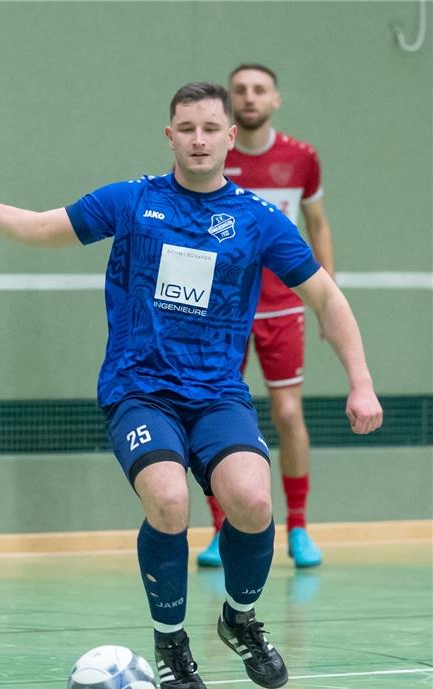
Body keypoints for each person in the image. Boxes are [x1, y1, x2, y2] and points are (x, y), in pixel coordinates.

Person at [0, 82, 382, 689]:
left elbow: (325, 296)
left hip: (217, 395)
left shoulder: (257, 220)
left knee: (252, 501)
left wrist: (361, 383)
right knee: (167, 501)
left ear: (228, 138)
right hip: (140, 392)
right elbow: (40, 227)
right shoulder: (132, 202)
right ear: (170, 136)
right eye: (186, 128)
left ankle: (239, 620)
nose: (198, 139)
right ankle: (170, 642)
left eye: (210, 129)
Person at [198, 64, 334, 569]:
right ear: (230, 104)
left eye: (259, 90)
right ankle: (218, 530)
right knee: (211, 414)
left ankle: (298, 526)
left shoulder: (301, 159)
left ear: (275, 98)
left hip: (282, 308)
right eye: (240, 90)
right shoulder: (212, 156)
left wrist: (326, 300)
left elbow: (318, 226)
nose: (250, 97)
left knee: (288, 413)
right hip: (220, 313)